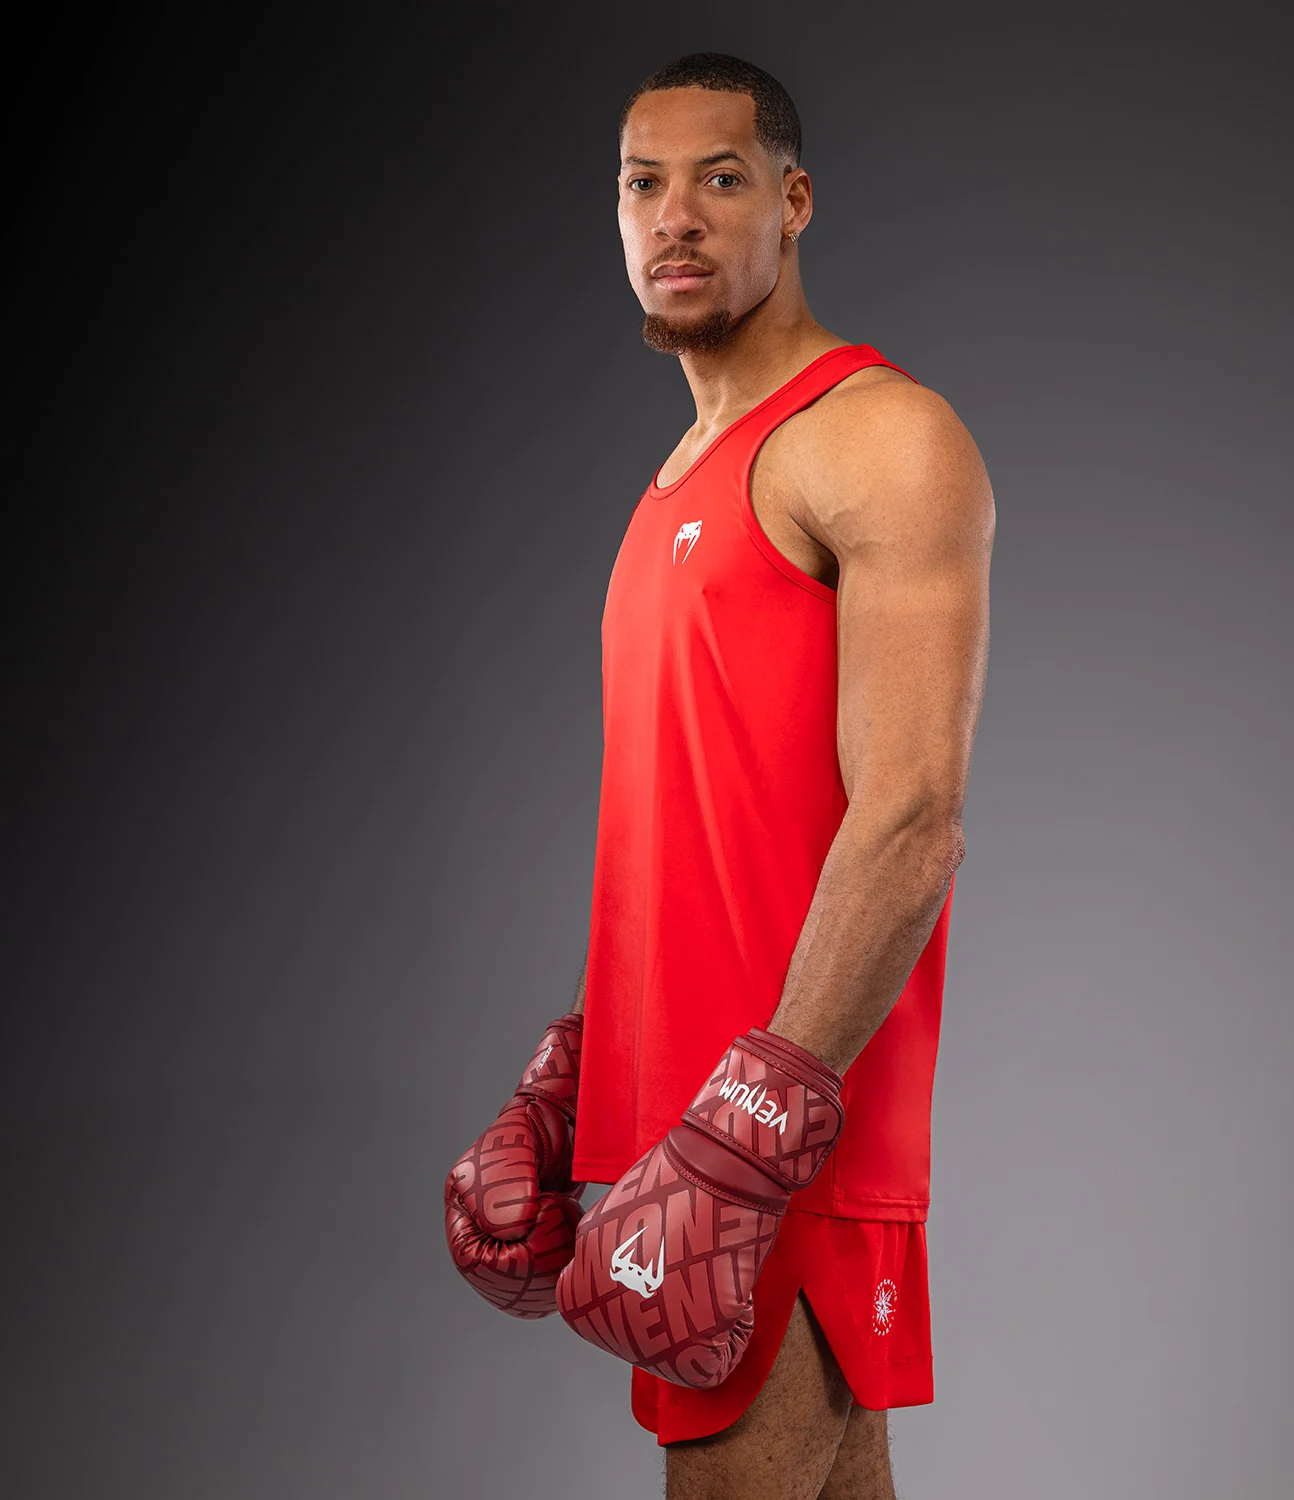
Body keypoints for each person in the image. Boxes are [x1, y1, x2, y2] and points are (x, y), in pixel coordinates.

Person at [445, 50, 993, 1500]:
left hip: (775, 1154)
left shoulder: (877, 439)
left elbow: (913, 820)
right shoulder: (673, 486)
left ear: (794, 203)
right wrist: (577, 1077)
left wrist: (747, 1144)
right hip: (688, 1148)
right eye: (644, 184)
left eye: (722, 178)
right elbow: (687, 840)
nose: (675, 215)